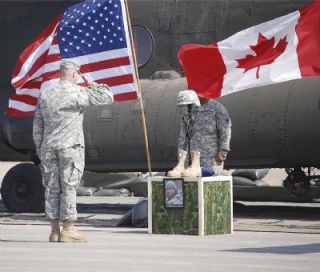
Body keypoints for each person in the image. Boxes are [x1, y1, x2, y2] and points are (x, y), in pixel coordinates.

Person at [33, 59, 114, 242]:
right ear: (75, 74)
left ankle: (54, 231)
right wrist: (92, 83)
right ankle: (68, 229)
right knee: (69, 186)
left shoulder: (45, 94)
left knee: (52, 188)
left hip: (48, 148)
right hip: (70, 148)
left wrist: (40, 148)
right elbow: (107, 96)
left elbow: (37, 126)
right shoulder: (78, 92)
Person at [168, 90, 231, 177]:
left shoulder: (217, 108)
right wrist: (181, 155)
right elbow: (183, 135)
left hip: (209, 157)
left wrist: (223, 152)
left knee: (210, 182)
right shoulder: (189, 109)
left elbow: (225, 130)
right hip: (190, 158)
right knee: (191, 184)